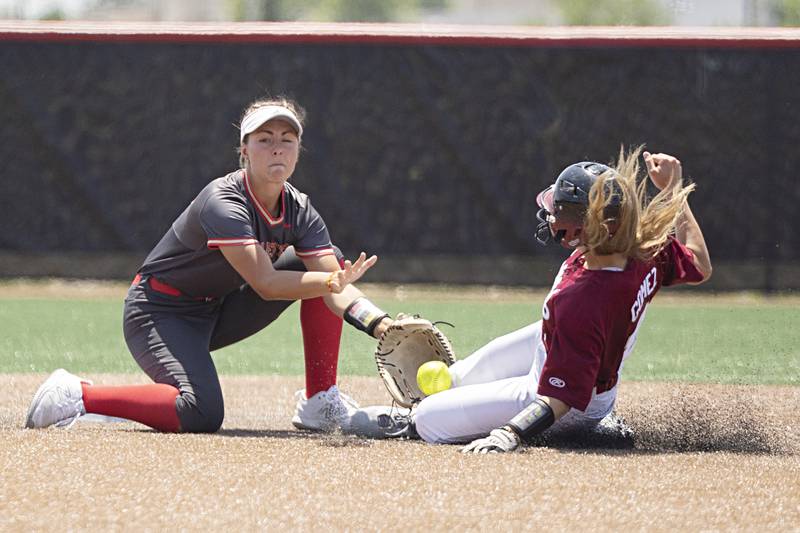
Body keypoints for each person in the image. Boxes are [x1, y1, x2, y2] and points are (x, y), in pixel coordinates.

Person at [25, 96, 397, 434]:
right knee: (200, 412)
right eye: (264, 139)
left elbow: (336, 281)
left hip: (216, 310)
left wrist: (380, 323)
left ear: (299, 150)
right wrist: (330, 281)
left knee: (321, 267)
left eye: (287, 139)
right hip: (159, 311)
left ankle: (319, 400)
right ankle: (77, 395)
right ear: (244, 151)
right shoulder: (223, 200)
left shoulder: (299, 208)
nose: (277, 148)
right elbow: (267, 284)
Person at [350, 148, 711, 452]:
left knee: (429, 417)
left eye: (561, 211)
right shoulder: (642, 248)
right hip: (574, 349)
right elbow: (699, 263)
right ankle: (465, 402)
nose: (552, 215)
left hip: (575, 401)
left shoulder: (583, 299)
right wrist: (674, 191)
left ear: (587, 226)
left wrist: (509, 433)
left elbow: (560, 398)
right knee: (455, 378)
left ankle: (589, 429)